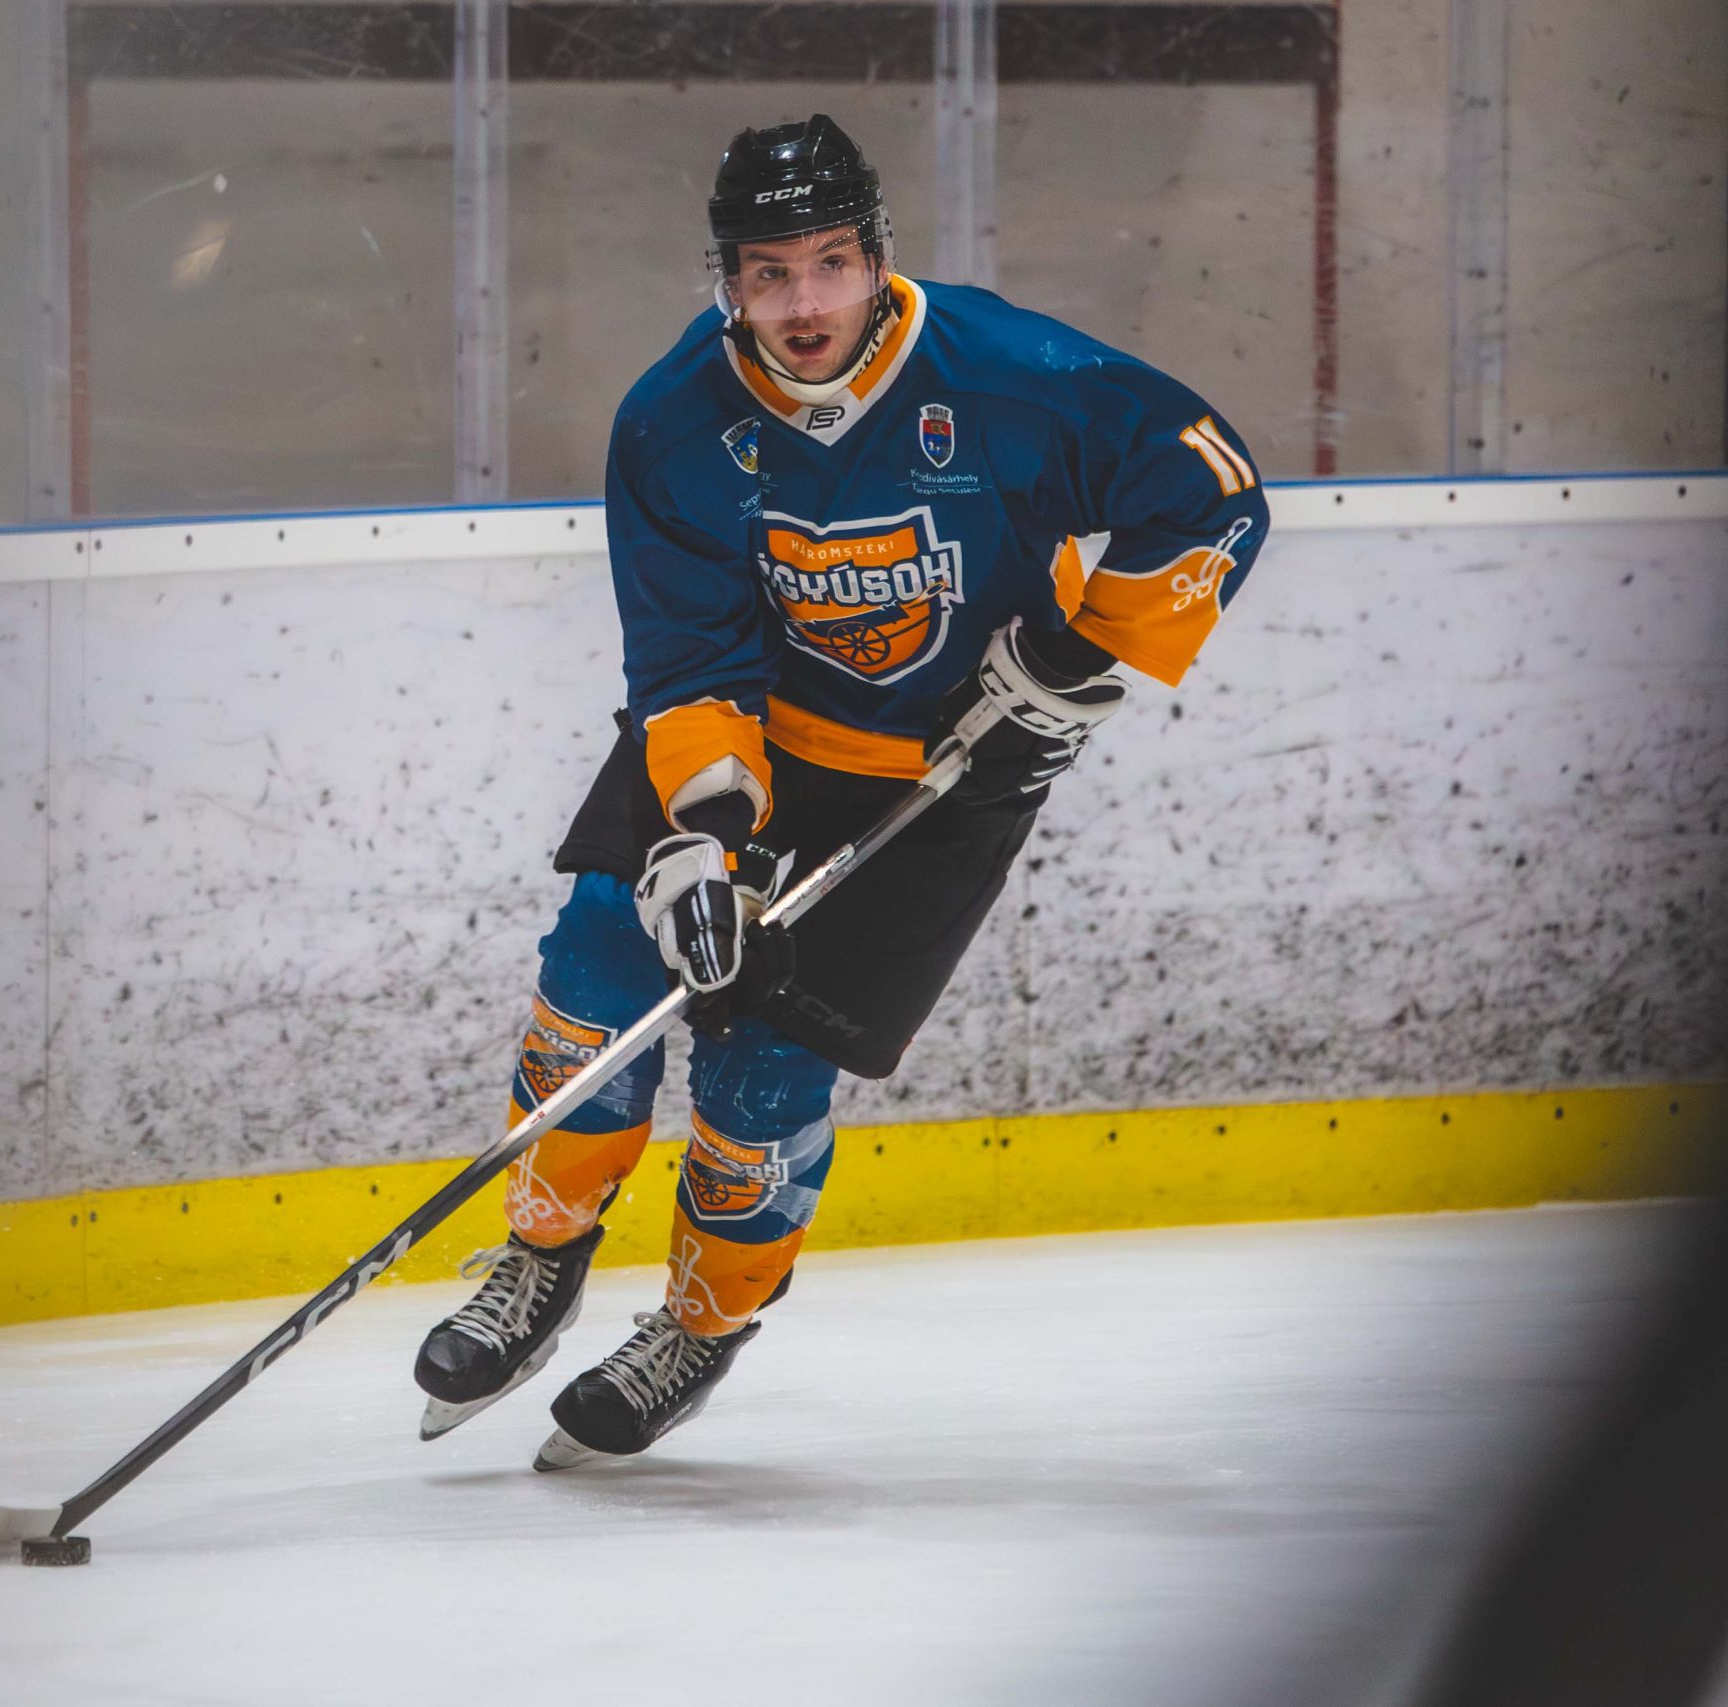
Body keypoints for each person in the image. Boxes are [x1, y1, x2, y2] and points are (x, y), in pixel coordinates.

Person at [412, 113, 1272, 1471]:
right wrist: (700, 842)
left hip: (945, 770)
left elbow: (1215, 488)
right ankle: (540, 1257)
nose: (803, 304)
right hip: (751, 740)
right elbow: (690, 660)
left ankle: (701, 1324)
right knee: (598, 974)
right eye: (769, 273)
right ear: (726, 280)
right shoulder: (675, 422)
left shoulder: (1012, 377)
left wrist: (1070, 664)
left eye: (829, 264)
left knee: (763, 1073)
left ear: (878, 255)